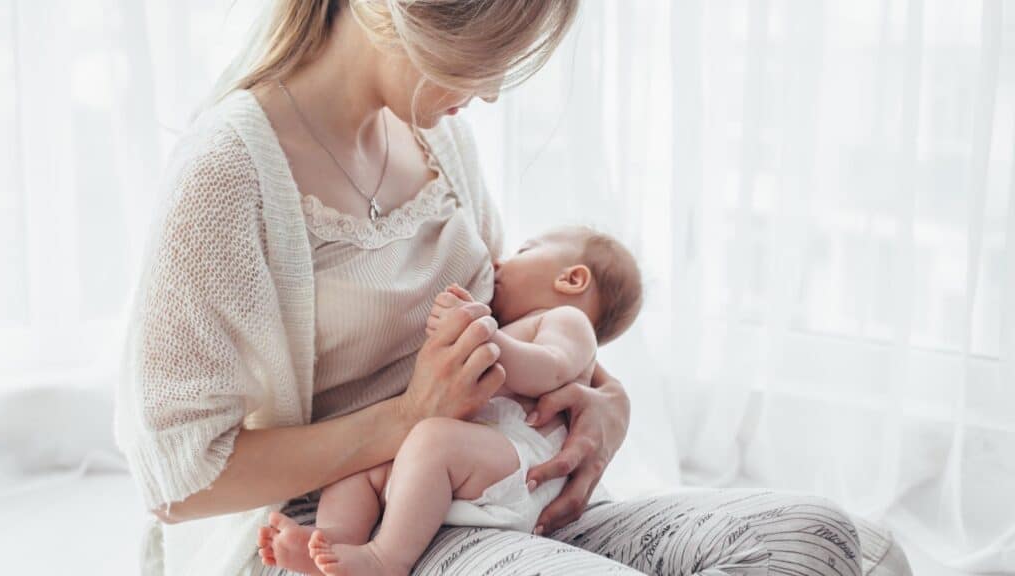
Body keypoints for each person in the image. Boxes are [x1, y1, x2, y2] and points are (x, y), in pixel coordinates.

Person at [114, 1, 914, 574]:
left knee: (822, 537)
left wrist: (606, 403)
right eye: (489, 56)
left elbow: (520, 322)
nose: (492, 92)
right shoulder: (228, 177)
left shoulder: (440, 138)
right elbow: (178, 482)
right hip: (338, 534)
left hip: (495, 490)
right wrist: (408, 421)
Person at [257, 226, 643, 575]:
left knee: (433, 440)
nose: (498, 262)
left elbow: (551, 370)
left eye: (523, 250)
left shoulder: (568, 322)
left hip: (524, 463)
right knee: (359, 469)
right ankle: (332, 540)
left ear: (572, 278)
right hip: (474, 462)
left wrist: (483, 335)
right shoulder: (520, 326)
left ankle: (385, 559)